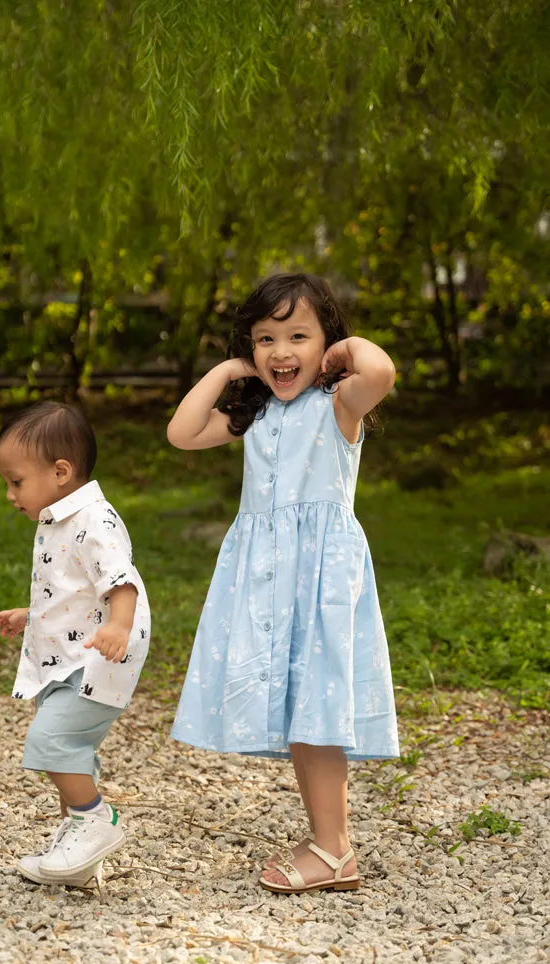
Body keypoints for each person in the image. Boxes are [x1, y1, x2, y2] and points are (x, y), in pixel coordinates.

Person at [167, 272, 399, 894]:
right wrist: (225, 373)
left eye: (299, 335)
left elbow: (379, 374)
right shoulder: (257, 414)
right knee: (302, 710)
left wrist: (346, 354)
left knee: (317, 708)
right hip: (268, 578)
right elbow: (182, 433)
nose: (281, 351)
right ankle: (329, 842)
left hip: (319, 579)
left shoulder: (337, 408)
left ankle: (333, 848)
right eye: (265, 338)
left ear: (327, 345)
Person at [0, 402, 150, 887]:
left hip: (99, 657)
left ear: (60, 472)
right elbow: (70, 589)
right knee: (70, 744)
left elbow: (120, 582)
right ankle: (79, 860)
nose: (9, 494)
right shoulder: (63, 518)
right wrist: (32, 615)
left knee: (52, 740)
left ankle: (95, 821)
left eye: (16, 482)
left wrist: (119, 627)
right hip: (69, 656)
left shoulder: (93, 521)